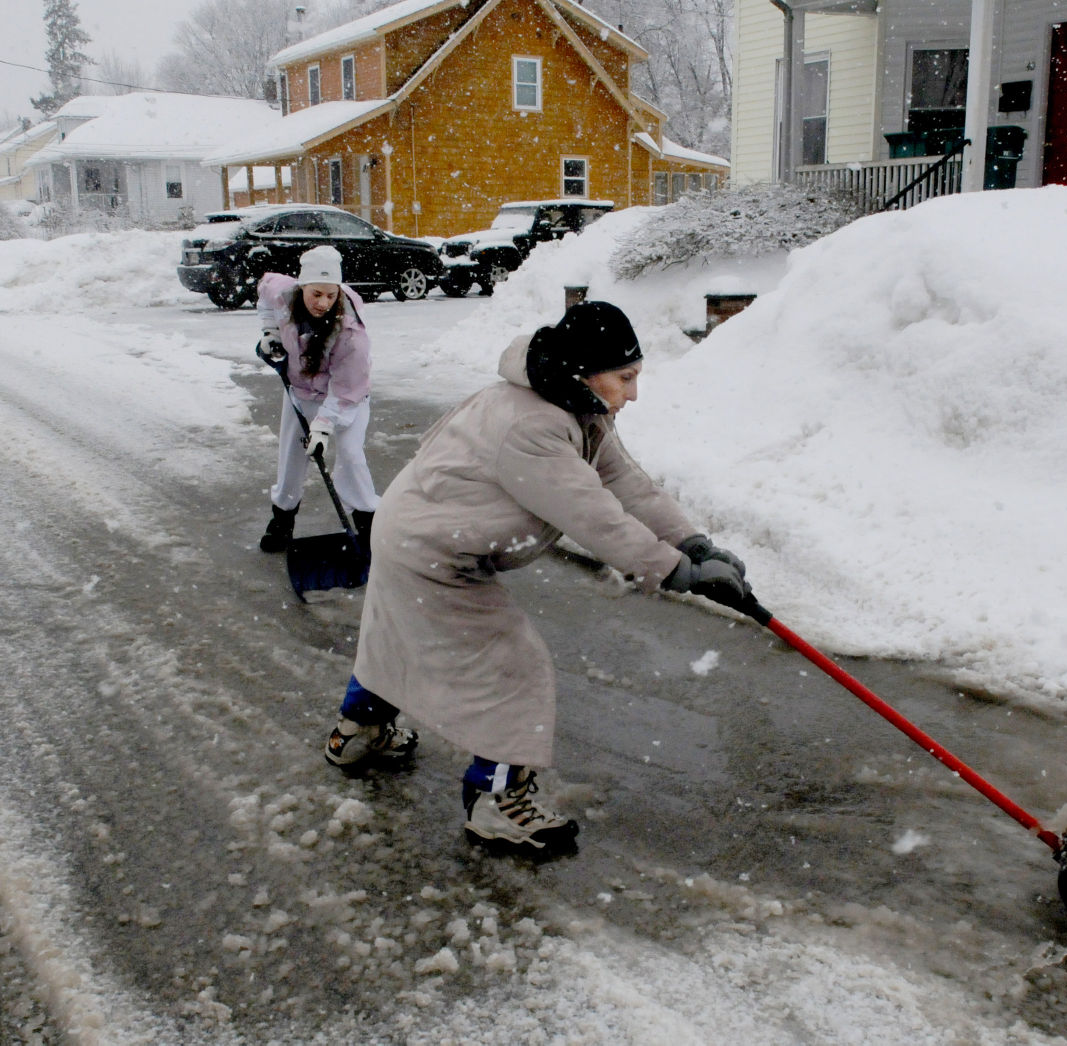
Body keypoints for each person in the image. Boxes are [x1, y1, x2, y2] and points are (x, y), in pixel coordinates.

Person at [321, 300, 749, 857]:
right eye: (626, 377)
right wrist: (673, 570)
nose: (634, 393)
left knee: (397, 637)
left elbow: (625, 483)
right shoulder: (532, 425)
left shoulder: (573, 403)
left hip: (417, 532)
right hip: (433, 553)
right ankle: (496, 804)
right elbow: (592, 514)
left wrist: (692, 542)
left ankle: (357, 734)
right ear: (585, 371)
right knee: (513, 669)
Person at [255, 245, 381, 554]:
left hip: (347, 397)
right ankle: (282, 519)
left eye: (330, 294)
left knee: (351, 455)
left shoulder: (351, 335)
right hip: (300, 391)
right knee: (291, 457)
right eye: (316, 294)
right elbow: (264, 292)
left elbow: (347, 388)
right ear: (302, 287)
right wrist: (270, 335)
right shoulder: (283, 294)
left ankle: (367, 526)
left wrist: (323, 427)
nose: (323, 302)